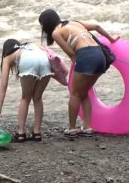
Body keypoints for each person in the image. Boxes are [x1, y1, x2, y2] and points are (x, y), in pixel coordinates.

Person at [38, 9, 118, 138]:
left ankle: (72, 128)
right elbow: (97, 26)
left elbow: (71, 54)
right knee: (83, 92)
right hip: (100, 56)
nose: (42, 27)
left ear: (46, 23)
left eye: (41, 24)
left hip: (86, 56)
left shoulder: (56, 33)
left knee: (75, 93)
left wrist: (74, 65)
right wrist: (112, 39)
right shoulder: (75, 22)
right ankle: (87, 127)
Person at [0, 38, 67, 142]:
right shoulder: (31, 45)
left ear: (5, 50)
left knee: (25, 98)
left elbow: (3, 85)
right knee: (38, 98)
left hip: (27, 60)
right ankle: (37, 132)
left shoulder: (8, 56)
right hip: (45, 60)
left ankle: (21, 133)